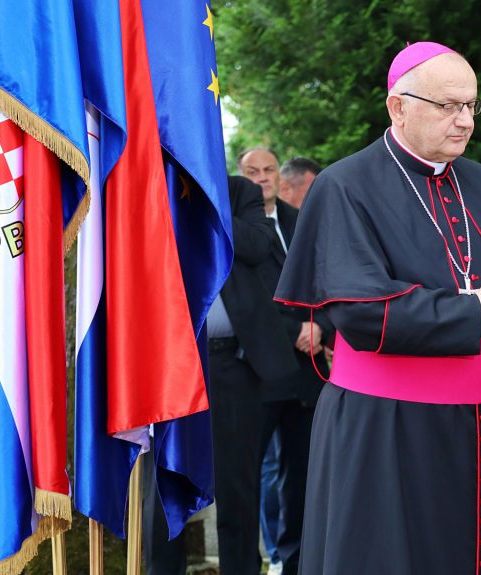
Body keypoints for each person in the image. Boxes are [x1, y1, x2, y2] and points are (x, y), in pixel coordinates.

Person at [275, 42, 481, 574]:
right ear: (398, 107)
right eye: (447, 105)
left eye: (471, 105)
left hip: (477, 428)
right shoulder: (344, 186)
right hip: (383, 428)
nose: (464, 121)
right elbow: (360, 313)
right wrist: (473, 308)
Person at [240, 147, 333, 575]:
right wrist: (293, 329)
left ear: (280, 176)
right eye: (252, 171)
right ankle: (260, 558)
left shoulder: (303, 221)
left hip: (307, 371)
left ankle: (295, 561)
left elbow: (329, 279)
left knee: (302, 473)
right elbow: (244, 297)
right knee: (250, 472)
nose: (262, 177)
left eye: (269, 170)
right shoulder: (234, 226)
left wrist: (322, 327)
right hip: (258, 370)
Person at [208, 174, 301, 575]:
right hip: (172, 364)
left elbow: (256, 246)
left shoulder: (239, 192)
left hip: (232, 363)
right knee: (162, 490)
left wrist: (207, 200)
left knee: (237, 487)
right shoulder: (152, 185)